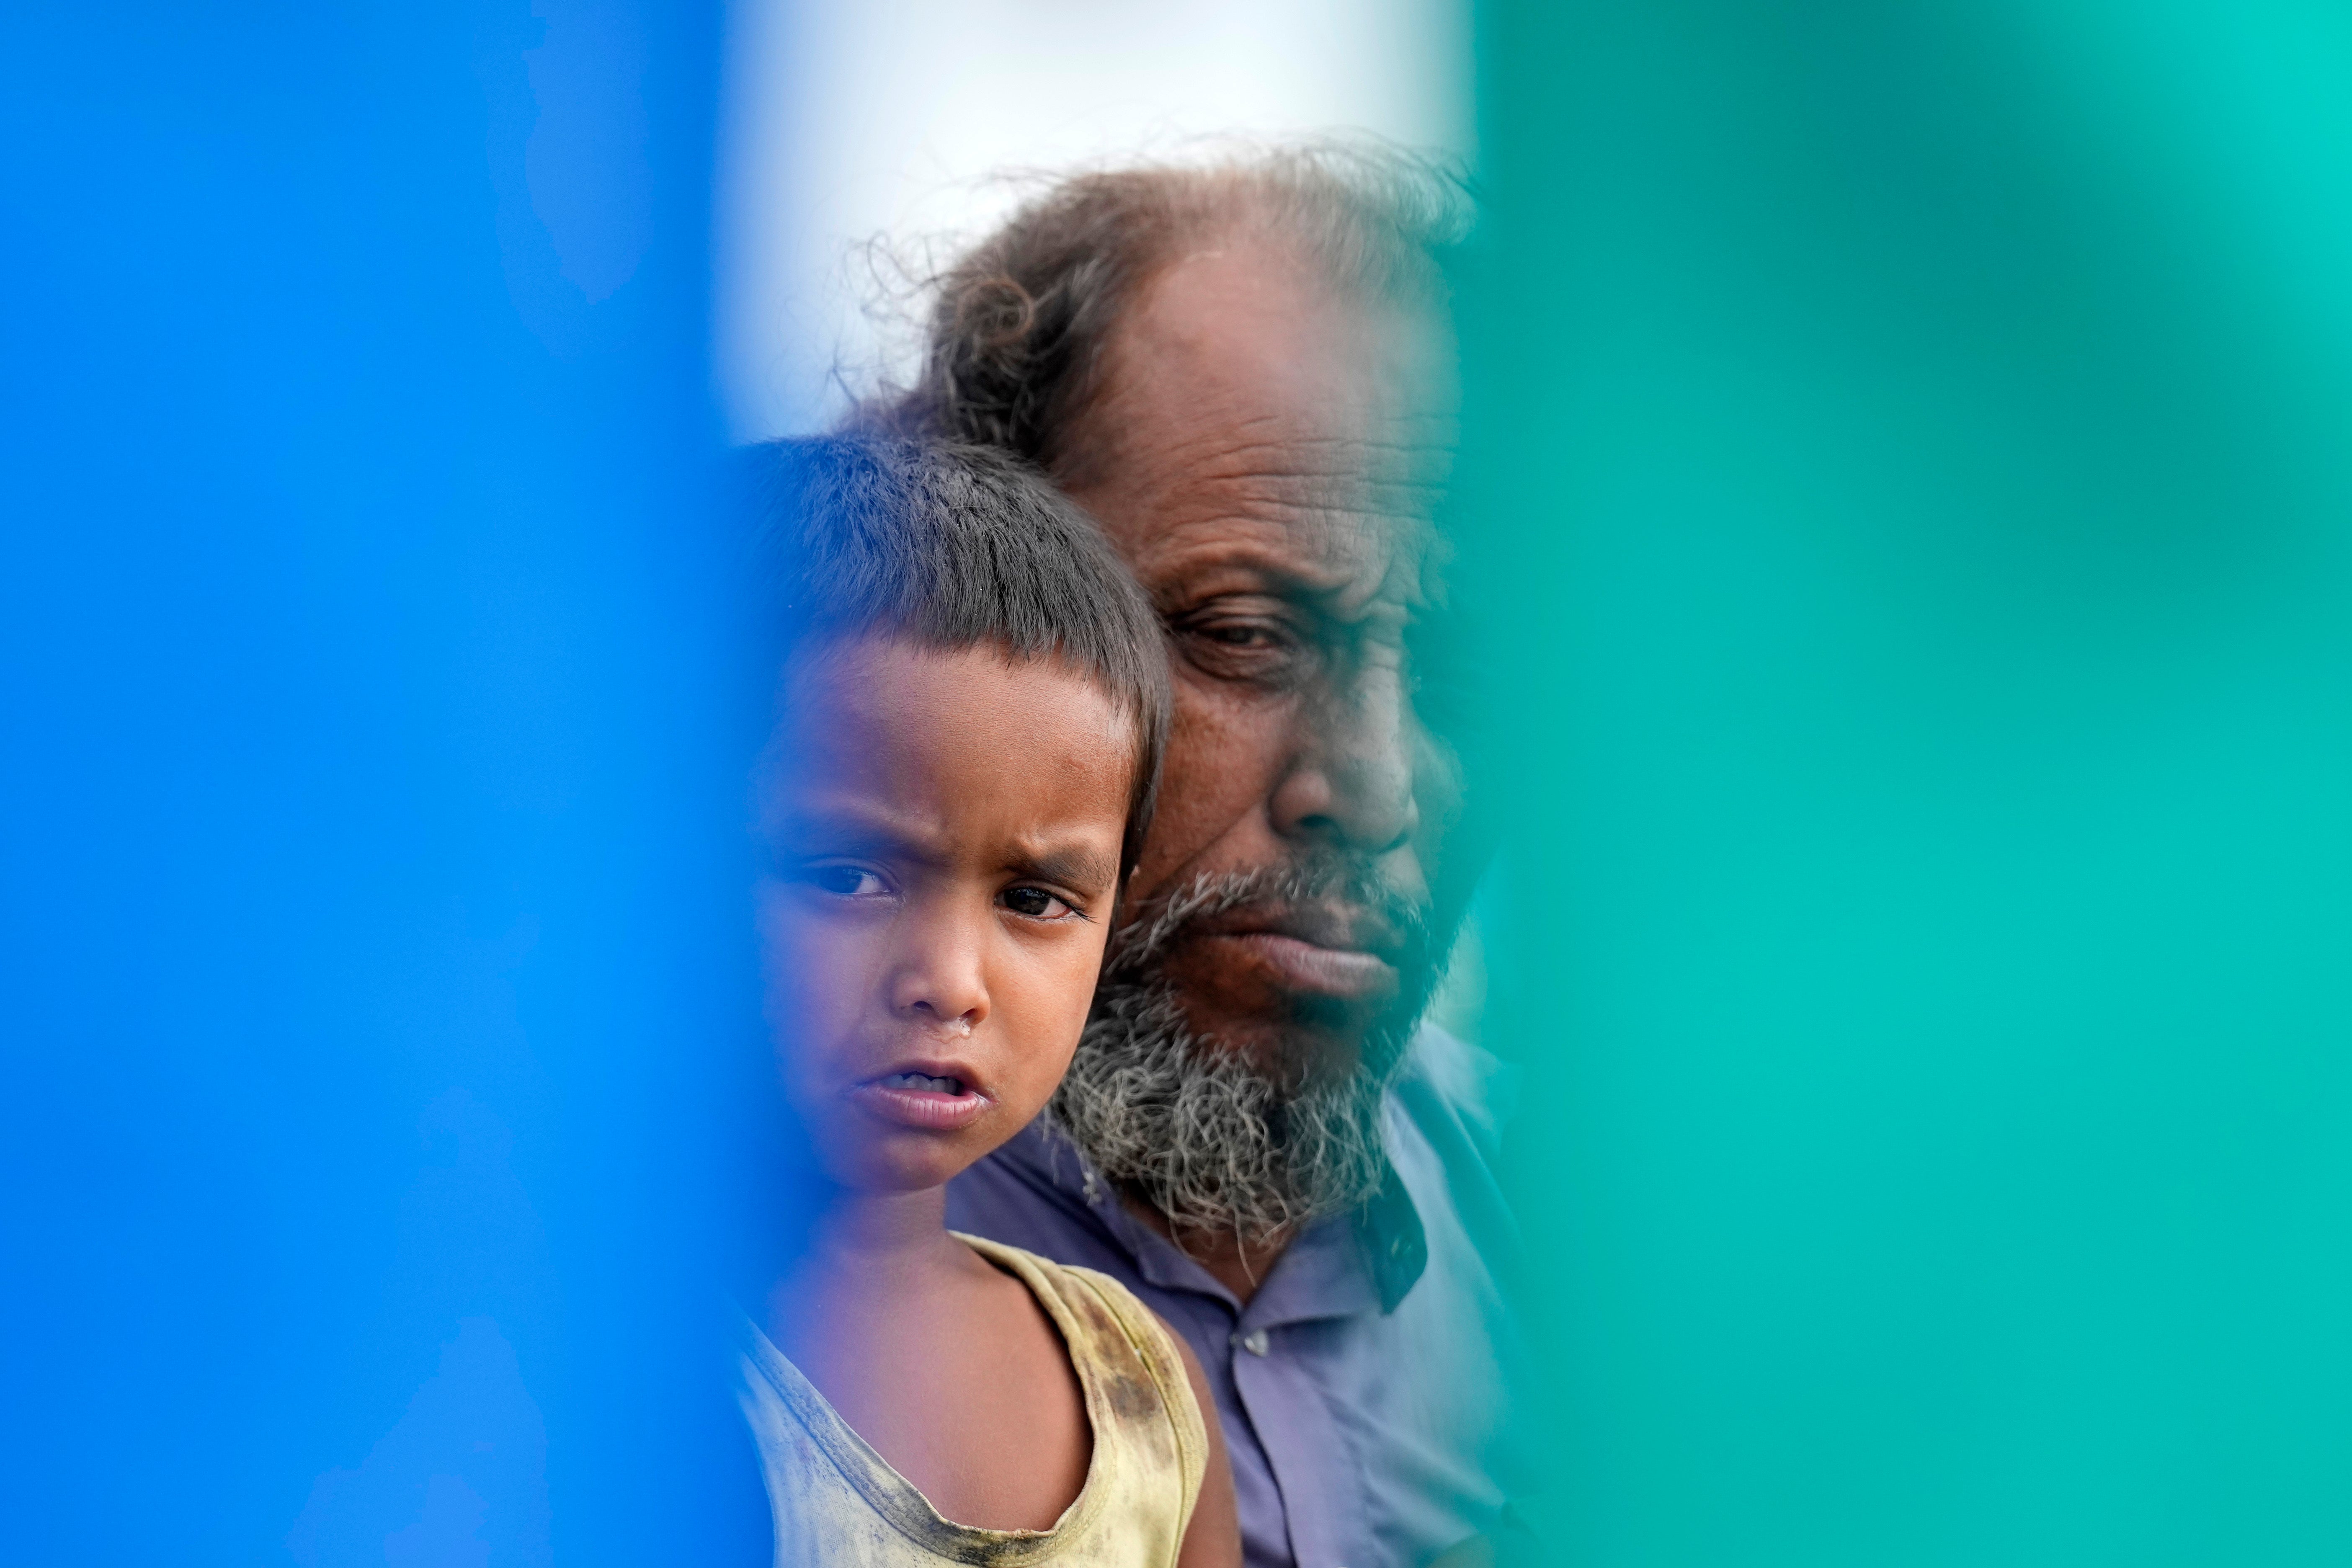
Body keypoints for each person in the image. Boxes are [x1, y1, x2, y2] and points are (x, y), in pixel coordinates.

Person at [872, 151, 1531, 1568]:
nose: (1369, 785)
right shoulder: (693, 1281)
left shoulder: (1597, 1257)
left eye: (1470, 683)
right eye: (1240, 632)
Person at [735, 435, 1242, 1568]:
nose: (953, 983)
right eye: (846, 875)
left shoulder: (1148, 1397)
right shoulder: (579, 1391)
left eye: (1035, 898)